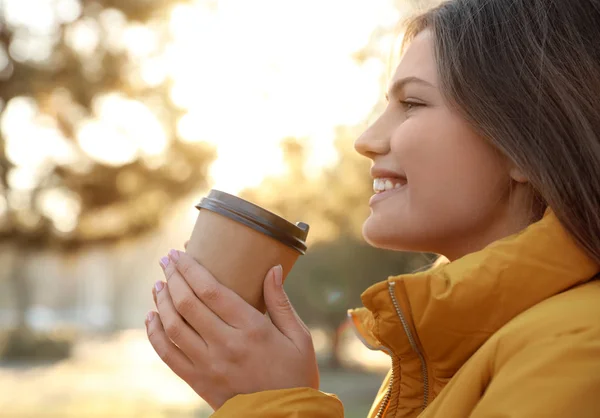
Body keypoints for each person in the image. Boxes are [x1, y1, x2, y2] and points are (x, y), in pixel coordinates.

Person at [145, 0, 600, 416]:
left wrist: (277, 403)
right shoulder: (449, 351)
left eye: (413, 103)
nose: (366, 141)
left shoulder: (576, 350)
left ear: (525, 142)